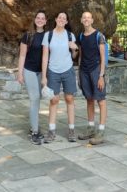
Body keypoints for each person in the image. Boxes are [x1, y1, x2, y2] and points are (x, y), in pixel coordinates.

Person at [41, 11, 78, 144]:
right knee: (54, 100)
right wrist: (44, 76)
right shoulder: (48, 35)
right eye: (60, 17)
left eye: (64, 18)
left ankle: (71, 130)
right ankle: (51, 131)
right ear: (56, 19)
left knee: (69, 98)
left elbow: (74, 56)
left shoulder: (70, 35)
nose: (62, 19)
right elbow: (45, 56)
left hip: (68, 70)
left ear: (66, 22)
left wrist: (75, 49)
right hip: (52, 71)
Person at [16, 11, 47, 145]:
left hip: (41, 72)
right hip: (29, 70)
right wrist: (20, 73)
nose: (40, 20)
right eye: (38, 17)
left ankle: (33, 126)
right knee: (34, 99)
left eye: (42, 18)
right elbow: (22, 55)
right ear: (35, 20)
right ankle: (35, 132)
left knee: (38, 99)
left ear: (46, 21)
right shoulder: (28, 35)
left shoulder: (48, 36)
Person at [77, 11, 107, 145]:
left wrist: (101, 76)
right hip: (84, 70)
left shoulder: (99, 36)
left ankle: (101, 131)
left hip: (96, 70)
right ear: (81, 20)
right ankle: (91, 128)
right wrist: (79, 73)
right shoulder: (81, 36)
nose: (86, 19)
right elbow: (81, 56)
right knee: (89, 99)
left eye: (88, 17)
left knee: (100, 100)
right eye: (84, 17)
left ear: (92, 20)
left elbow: (103, 57)